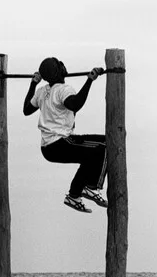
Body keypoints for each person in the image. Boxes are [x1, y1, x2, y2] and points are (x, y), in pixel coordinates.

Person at [23, 57, 108, 213]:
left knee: (98, 147)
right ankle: (92, 187)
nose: (63, 65)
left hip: (49, 147)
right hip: (59, 143)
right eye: (60, 64)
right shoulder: (63, 89)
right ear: (59, 71)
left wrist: (33, 84)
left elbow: (26, 109)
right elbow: (75, 104)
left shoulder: (43, 91)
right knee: (107, 147)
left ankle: (74, 195)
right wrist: (90, 81)